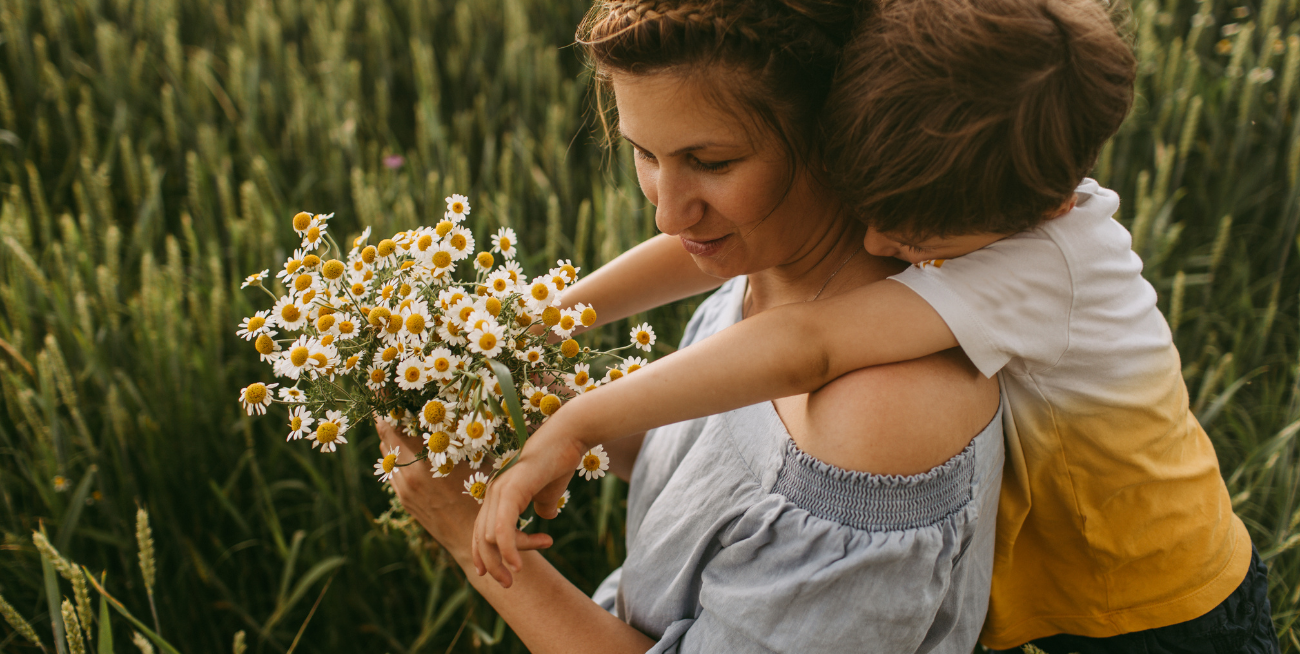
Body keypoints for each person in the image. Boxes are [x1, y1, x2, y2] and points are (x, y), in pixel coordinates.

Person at [474, 0, 1282, 651]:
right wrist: (534, 325)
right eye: (647, 155)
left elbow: (809, 345)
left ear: (1053, 205)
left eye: (906, 236)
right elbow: (700, 253)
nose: (874, 242)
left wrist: (578, 421)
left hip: (1158, 606)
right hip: (1063, 585)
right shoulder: (966, 188)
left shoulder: (1035, 263)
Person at [381, 0, 1006, 651]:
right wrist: (536, 415)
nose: (668, 217)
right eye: (644, 154)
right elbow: (718, 481)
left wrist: (464, 531)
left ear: (841, 137)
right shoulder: (769, 263)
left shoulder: (881, 418)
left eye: (711, 163)